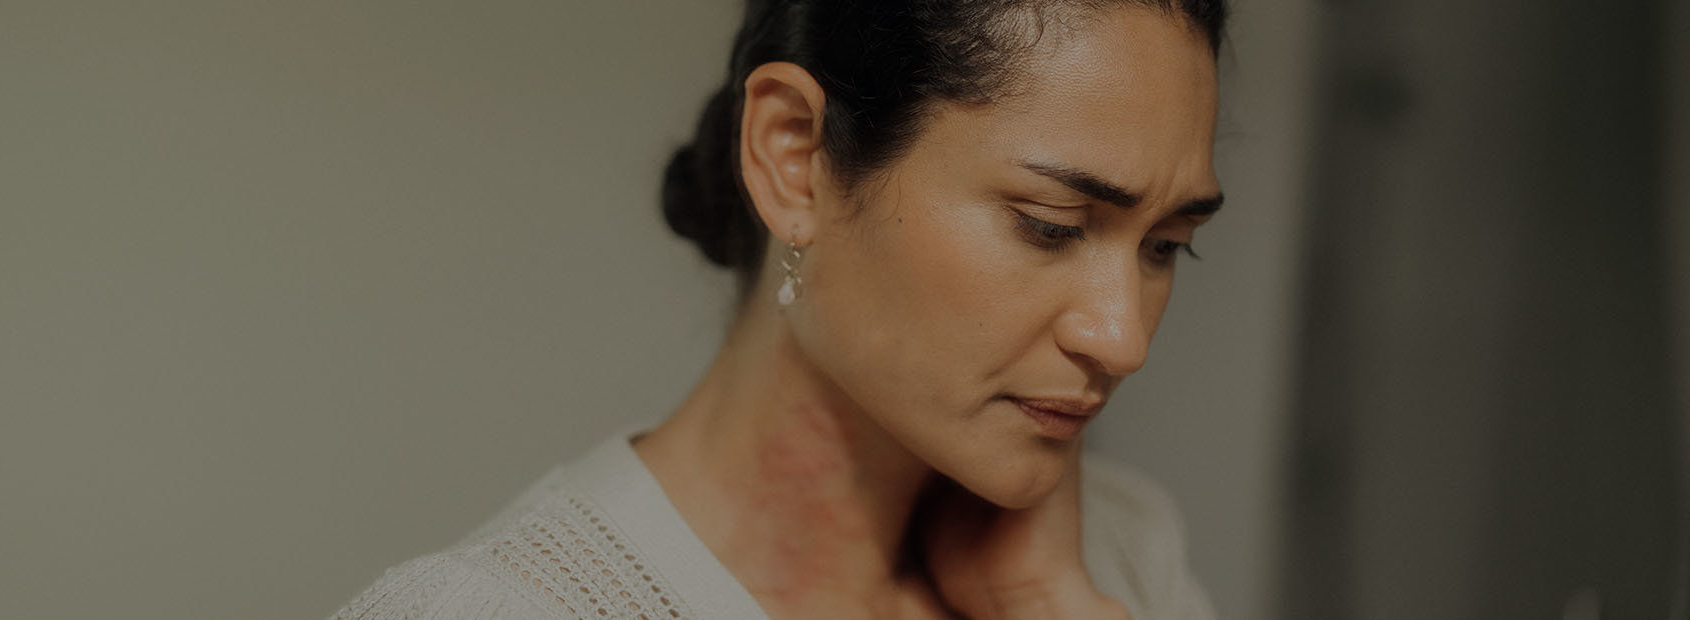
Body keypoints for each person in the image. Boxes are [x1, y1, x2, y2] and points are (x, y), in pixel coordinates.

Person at [332, 0, 1226, 617]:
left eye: (1165, 246)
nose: (1123, 340)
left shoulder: (1123, 553)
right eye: (1051, 225)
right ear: (795, 157)